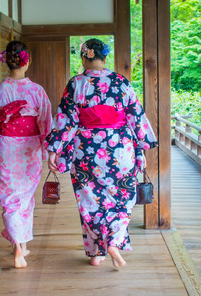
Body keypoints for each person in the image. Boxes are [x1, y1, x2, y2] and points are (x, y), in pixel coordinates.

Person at [46, 39, 158, 268]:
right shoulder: (121, 83)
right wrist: (140, 148)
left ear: (84, 57)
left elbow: (66, 120)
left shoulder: (76, 84)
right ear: (105, 58)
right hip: (120, 149)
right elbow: (136, 117)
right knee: (121, 199)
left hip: (86, 150)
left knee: (90, 201)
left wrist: (55, 150)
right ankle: (114, 242)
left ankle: (97, 253)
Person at [0, 41, 52, 268]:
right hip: (29, 148)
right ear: (27, 60)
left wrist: (2, 134)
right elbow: (45, 124)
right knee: (25, 197)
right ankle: (18, 247)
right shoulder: (37, 91)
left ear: (7, 61)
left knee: (10, 199)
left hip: (7, 146)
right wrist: (47, 151)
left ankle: (20, 246)